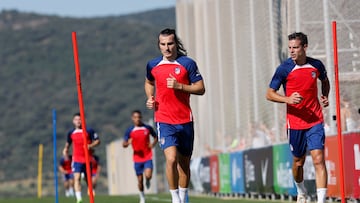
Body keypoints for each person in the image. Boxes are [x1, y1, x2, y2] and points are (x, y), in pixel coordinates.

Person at [266, 32, 330, 203]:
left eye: (295, 47)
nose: (292, 51)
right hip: (294, 123)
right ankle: (301, 191)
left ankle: (321, 200)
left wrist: (325, 95)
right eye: (290, 48)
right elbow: (269, 94)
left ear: (304, 47)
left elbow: (325, 80)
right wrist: (287, 99)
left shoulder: (316, 65)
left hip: (315, 120)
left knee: (318, 159)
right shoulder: (284, 69)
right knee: (298, 162)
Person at [144, 28, 205, 203]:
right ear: (159, 45)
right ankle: (175, 199)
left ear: (175, 43)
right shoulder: (153, 65)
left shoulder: (187, 64)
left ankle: (184, 197)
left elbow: (200, 88)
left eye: (170, 43)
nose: (167, 48)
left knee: (184, 164)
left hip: (185, 119)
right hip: (164, 120)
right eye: (163, 44)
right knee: (171, 159)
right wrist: (150, 97)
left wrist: (180, 86)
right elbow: (148, 82)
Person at [63, 113, 100, 203]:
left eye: (80, 119)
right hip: (77, 159)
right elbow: (68, 143)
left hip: (87, 159)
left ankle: (90, 192)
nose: (78, 121)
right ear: (73, 121)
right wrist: (65, 150)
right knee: (77, 178)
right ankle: (79, 199)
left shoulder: (89, 130)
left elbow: (98, 141)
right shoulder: (71, 133)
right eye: (76, 119)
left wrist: (90, 145)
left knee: (88, 180)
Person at [122, 110, 158, 203]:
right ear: (132, 118)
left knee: (148, 175)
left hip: (147, 156)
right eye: (135, 117)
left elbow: (156, 137)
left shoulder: (147, 128)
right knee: (140, 180)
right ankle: (142, 197)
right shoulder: (130, 130)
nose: (137, 119)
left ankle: (148, 180)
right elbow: (124, 144)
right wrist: (127, 143)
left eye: (139, 117)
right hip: (137, 158)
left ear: (141, 117)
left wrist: (152, 144)